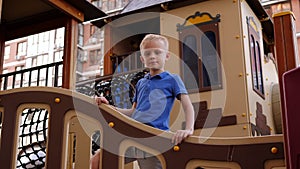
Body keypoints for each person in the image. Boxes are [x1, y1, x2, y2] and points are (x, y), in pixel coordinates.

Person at [91, 34, 195, 169]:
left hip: (154, 138)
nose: (152, 56)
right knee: (97, 160)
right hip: (133, 135)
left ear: (167, 56)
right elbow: (133, 112)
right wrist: (108, 106)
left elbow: (187, 106)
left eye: (158, 52)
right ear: (142, 59)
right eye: (147, 53)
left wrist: (188, 129)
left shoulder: (172, 80)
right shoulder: (141, 83)